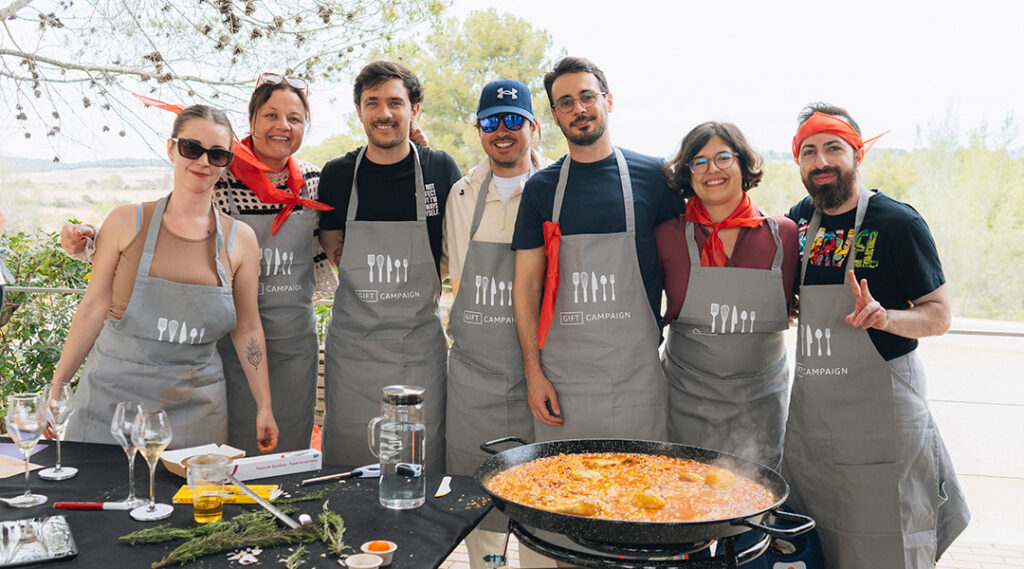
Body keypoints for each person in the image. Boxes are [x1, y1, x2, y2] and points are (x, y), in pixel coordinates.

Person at [60, 74, 335, 454]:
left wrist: (265, 405)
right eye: (192, 148)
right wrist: (94, 240)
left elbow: (333, 246)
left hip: (273, 359)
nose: (204, 162)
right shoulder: (194, 190)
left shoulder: (311, 184)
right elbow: (153, 249)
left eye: (295, 117)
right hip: (170, 373)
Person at [782, 102, 969, 567]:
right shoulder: (799, 220)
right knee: (819, 539)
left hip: (882, 418)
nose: (821, 161)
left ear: (858, 154)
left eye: (833, 148)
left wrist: (886, 318)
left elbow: (939, 315)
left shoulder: (898, 223)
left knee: (888, 538)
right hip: (814, 417)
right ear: (799, 162)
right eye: (809, 151)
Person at [511, 56, 682, 442]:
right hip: (561, 385)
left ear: (608, 100)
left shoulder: (654, 177)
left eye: (587, 96)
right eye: (566, 103)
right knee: (561, 497)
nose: (579, 109)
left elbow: (690, 249)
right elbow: (526, 286)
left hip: (636, 382)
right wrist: (533, 374)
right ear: (554, 116)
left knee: (638, 496)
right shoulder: (542, 188)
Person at [318, 61, 461, 470]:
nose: (384, 113)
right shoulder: (338, 175)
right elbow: (333, 247)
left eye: (395, 102)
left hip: (420, 353)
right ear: (360, 111)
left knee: (419, 465)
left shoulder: (439, 169)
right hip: (354, 355)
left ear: (414, 109)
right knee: (348, 467)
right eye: (372, 103)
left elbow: (451, 248)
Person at [443, 79, 553, 569]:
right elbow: (453, 277)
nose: (502, 131)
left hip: (543, 373)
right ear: (479, 129)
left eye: (514, 120)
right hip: (474, 378)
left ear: (533, 127)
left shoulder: (556, 189)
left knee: (541, 504)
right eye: (491, 121)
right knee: (477, 504)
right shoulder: (461, 195)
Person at [656, 122, 798, 470]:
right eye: (699, 162)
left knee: (757, 507)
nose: (712, 170)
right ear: (687, 174)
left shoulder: (785, 236)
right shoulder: (666, 235)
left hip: (762, 408)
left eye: (722, 157)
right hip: (686, 404)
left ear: (743, 163)